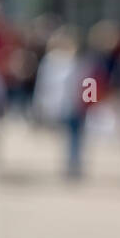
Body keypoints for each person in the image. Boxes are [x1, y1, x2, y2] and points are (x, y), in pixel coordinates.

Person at [33, 25, 90, 178]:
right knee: (70, 134)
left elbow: (87, 82)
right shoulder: (51, 61)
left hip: (76, 103)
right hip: (62, 104)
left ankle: (74, 163)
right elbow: (44, 85)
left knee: (75, 134)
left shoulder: (77, 60)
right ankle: (71, 163)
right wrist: (41, 104)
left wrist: (89, 101)